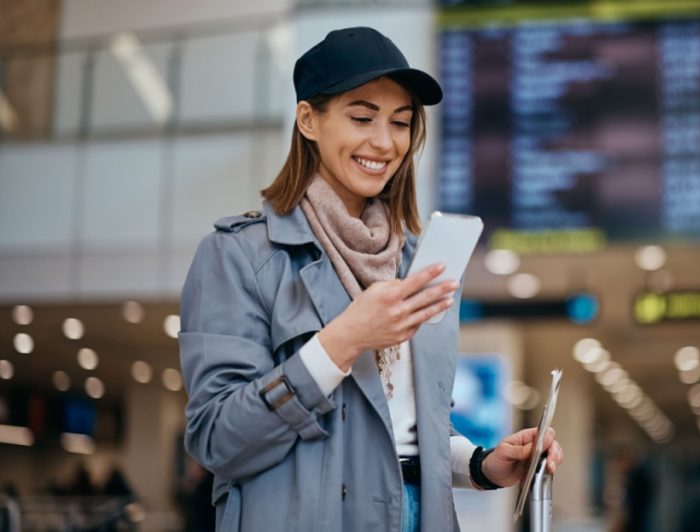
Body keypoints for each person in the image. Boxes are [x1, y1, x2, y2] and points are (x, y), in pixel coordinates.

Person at [179, 27, 563, 532]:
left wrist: (480, 464)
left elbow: (405, 428)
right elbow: (216, 438)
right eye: (361, 118)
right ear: (308, 119)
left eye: (401, 123)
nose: (384, 142)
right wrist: (342, 340)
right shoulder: (238, 255)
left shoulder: (414, 261)